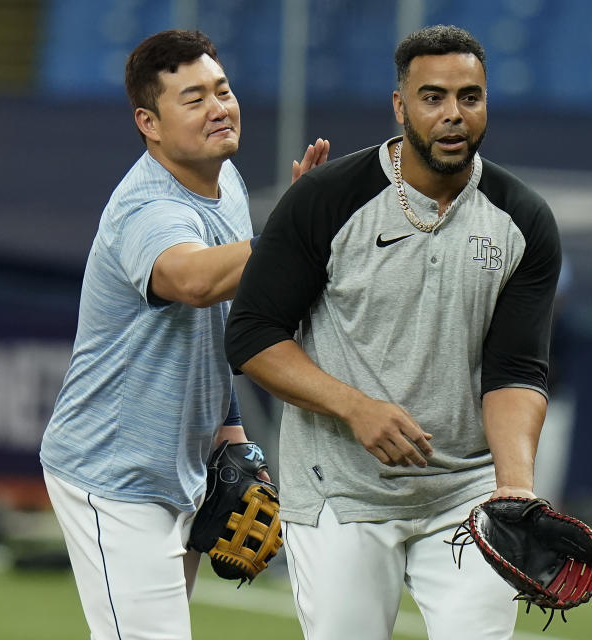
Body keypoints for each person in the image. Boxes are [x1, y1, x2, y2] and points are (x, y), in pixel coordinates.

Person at [224, 25, 561, 640]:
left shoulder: (522, 220)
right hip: (342, 492)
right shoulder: (326, 199)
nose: (453, 114)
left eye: (470, 97)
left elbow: (516, 371)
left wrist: (514, 490)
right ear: (400, 106)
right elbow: (251, 336)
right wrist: (356, 409)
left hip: (465, 493)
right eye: (433, 97)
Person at [39, 29, 328, 640]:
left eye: (222, 90)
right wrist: (291, 235)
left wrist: (231, 435)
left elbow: (215, 322)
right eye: (193, 99)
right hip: (113, 473)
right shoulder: (146, 207)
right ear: (149, 121)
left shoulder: (227, 187)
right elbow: (191, 281)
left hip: (181, 468)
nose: (218, 108)